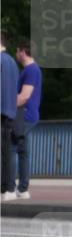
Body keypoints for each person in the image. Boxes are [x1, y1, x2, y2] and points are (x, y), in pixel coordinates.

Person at [12, 40, 43, 199]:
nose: (16, 54)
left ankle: (8, 188)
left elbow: (24, 96)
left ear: (23, 51)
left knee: (9, 149)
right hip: (27, 116)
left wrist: (6, 106)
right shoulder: (31, 70)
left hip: (24, 116)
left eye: (17, 51)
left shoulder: (31, 70)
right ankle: (23, 189)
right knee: (22, 151)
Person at [1, 32, 19, 201]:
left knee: (6, 153)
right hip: (10, 111)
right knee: (8, 152)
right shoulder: (12, 62)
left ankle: (8, 188)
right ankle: (7, 188)